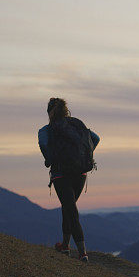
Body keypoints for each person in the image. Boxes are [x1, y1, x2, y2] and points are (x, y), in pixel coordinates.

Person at [38, 97, 100, 262]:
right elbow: (96, 138)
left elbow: (43, 144)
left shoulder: (47, 129)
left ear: (49, 112)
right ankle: (65, 246)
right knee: (68, 208)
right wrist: (86, 154)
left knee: (70, 209)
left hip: (61, 173)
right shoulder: (77, 125)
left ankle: (82, 253)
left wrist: (49, 159)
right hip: (81, 173)